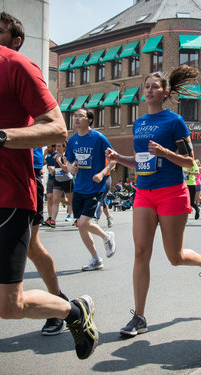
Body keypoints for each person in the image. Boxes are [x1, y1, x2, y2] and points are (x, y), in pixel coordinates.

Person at [0, 2, 98, 372]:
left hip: (9, 197)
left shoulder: (16, 65)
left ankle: (74, 309)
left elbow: (56, 128)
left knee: (7, 305)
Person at [106, 65, 201, 337]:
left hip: (171, 191)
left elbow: (189, 161)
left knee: (175, 256)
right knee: (140, 253)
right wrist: (118, 159)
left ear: (165, 92)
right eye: (146, 86)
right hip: (145, 192)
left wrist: (165, 151)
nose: (149, 90)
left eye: (154, 87)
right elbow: (140, 159)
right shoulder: (139, 123)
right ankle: (140, 316)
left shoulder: (174, 122)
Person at [65, 107, 117, 271]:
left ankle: (106, 235)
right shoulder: (73, 140)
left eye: (80, 116)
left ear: (89, 119)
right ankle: (95, 259)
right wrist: (70, 167)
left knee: (84, 222)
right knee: (81, 226)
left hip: (95, 187)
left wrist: (102, 173)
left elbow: (113, 160)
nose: (76, 119)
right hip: (79, 187)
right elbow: (68, 161)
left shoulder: (98, 138)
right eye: (75, 116)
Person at [51, 142, 74, 227]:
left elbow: (66, 169)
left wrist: (59, 162)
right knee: (55, 201)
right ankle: (53, 221)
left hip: (67, 181)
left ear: (64, 148)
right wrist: (53, 170)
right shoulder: (54, 156)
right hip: (58, 180)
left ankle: (77, 219)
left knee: (71, 201)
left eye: (60, 146)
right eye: (56, 146)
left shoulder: (65, 157)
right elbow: (57, 168)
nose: (57, 148)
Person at [43, 144, 56, 226]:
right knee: (49, 198)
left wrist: (53, 168)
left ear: (53, 148)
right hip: (51, 179)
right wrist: (44, 154)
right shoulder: (49, 156)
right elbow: (41, 163)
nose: (47, 149)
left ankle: (72, 208)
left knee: (63, 200)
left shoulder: (57, 156)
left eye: (49, 147)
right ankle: (50, 217)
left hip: (59, 179)